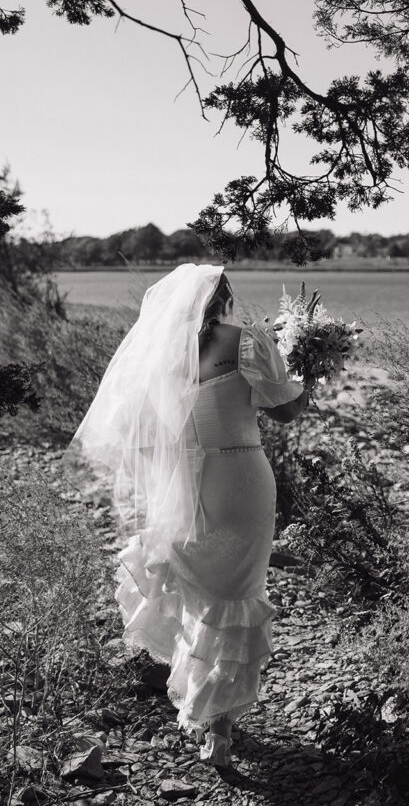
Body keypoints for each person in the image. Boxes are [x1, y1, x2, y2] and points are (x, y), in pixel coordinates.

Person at [69, 264, 307, 768]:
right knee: (238, 596)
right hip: (242, 482)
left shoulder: (165, 355)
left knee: (199, 594)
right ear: (226, 299)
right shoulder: (248, 341)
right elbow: (286, 410)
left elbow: (143, 432)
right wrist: (303, 367)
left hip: (185, 486)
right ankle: (219, 727)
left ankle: (206, 710)